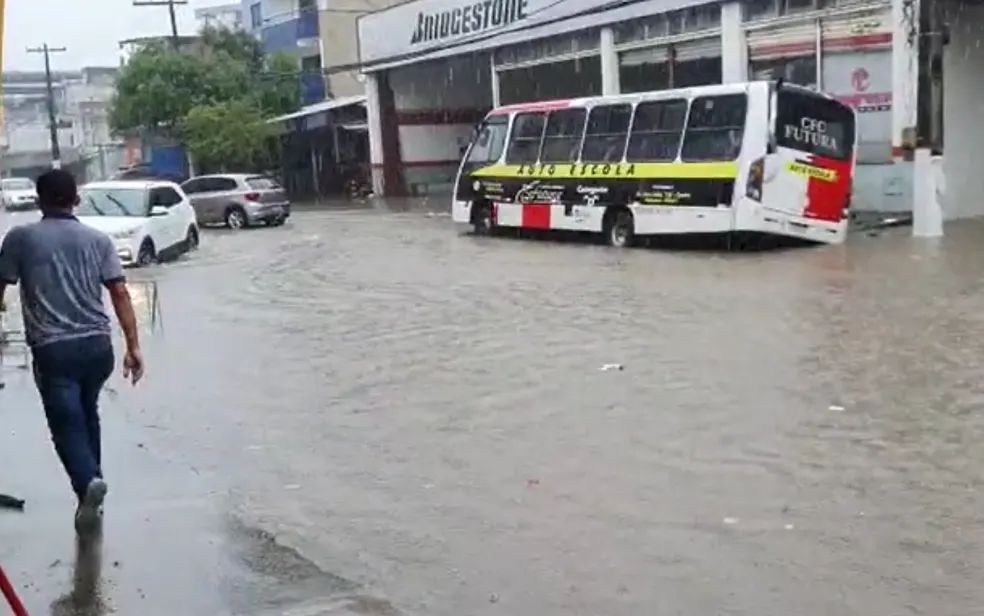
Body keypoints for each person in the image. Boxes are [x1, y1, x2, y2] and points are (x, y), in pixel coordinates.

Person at [0, 169, 144, 534]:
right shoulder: (99, 240)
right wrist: (133, 346)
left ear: (38, 200)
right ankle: (90, 495)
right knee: (87, 413)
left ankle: (87, 484)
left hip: (53, 349)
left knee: (65, 425)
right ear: (76, 199)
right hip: (99, 347)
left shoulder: (21, 238)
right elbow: (120, 292)